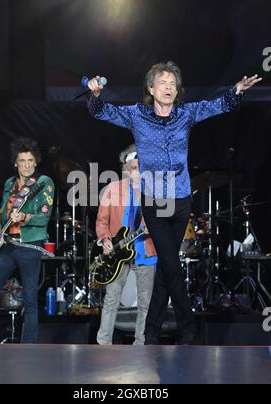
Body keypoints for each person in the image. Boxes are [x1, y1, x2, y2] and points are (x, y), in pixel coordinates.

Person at [87, 61, 262, 345]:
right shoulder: (137, 115)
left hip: (180, 201)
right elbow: (103, 112)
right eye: (163, 83)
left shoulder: (185, 113)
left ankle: (152, 331)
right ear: (151, 88)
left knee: (167, 270)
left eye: (173, 83)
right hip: (154, 202)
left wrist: (237, 90)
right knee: (171, 264)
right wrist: (94, 95)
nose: (169, 87)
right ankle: (188, 326)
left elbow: (217, 106)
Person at [0, 137, 54, 343]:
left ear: (36, 162)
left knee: (30, 298)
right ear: (15, 163)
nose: (27, 165)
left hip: (30, 245)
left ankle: (28, 345)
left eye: (31, 161)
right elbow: (3, 212)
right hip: (9, 244)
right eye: (23, 161)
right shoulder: (10, 184)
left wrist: (25, 217)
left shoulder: (43, 183)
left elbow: (44, 217)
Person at [95, 144, 157, 345]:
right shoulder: (112, 189)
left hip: (145, 251)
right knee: (111, 299)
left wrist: (155, 228)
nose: (136, 172)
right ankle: (103, 344)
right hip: (118, 252)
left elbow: (164, 221)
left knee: (146, 304)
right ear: (125, 170)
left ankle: (141, 345)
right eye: (132, 168)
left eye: (140, 168)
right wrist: (105, 239)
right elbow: (102, 220)